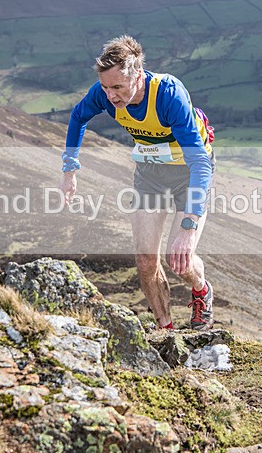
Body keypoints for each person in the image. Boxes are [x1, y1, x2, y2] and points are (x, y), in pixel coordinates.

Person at [59, 35, 215, 330]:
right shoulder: (103, 93)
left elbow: (199, 163)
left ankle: (201, 290)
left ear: (138, 75)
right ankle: (165, 329)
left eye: (117, 87)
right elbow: (78, 117)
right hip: (150, 175)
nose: (111, 96)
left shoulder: (169, 95)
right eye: (105, 87)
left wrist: (189, 225)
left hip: (188, 175)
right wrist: (70, 171)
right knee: (145, 261)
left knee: (179, 259)